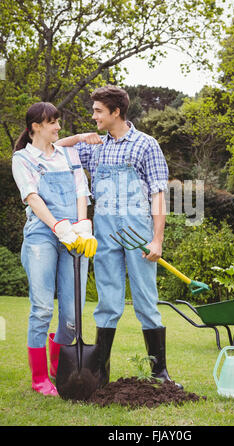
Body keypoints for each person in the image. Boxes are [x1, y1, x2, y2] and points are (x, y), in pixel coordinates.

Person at [56, 85, 182, 388]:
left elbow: (158, 194)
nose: (94, 115)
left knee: (146, 300)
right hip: (105, 230)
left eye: (99, 110)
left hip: (138, 230)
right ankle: (99, 373)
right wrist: (78, 138)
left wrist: (157, 240)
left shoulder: (145, 144)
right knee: (108, 302)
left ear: (116, 112)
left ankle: (159, 372)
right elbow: (54, 148)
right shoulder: (94, 145)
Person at [12, 102, 97, 396]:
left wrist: (82, 224)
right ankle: (39, 379)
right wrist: (57, 226)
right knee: (42, 308)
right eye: (53, 123)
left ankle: (58, 367)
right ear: (36, 126)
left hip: (74, 236)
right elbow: (32, 197)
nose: (58, 127)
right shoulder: (22, 159)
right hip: (42, 235)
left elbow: (80, 192)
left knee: (73, 315)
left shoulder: (67, 154)